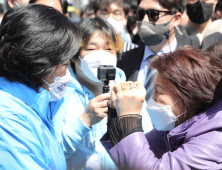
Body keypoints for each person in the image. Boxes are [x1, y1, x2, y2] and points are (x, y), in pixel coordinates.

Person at [101, 46, 222, 170]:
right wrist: (117, 112)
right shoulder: (174, 124)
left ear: (188, 97)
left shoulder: (215, 138)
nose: (152, 100)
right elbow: (129, 156)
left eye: (158, 92)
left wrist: (129, 118)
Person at [60, 17, 153, 170]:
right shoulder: (60, 95)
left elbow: (149, 144)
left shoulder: (129, 92)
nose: (101, 55)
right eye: (91, 49)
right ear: (74, 56)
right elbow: (52, 152)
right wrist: (85, 120)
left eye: (109, 49)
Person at [0, 4, 81, 170]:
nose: (68, 74)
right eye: (65, 64)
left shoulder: (35, 104)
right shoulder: (8, 117)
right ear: (40, 63)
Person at [117, 0, 199, 102]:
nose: (144, 20)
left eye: (153, 14)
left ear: (176, 19)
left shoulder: (193, 66)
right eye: (140, 14)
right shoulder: (122, 61)